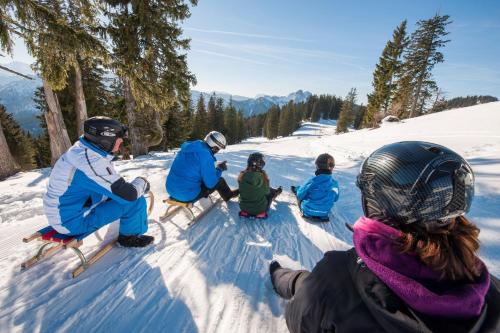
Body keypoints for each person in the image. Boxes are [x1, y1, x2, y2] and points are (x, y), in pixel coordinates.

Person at [270, 141, 500, 333]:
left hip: (315, 238)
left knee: (308, 285)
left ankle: (281, 276)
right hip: (325, 231)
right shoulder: (489, 287)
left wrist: (315, 289)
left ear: (376, 207)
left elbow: (299, 319)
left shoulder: (336, 275)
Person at [43, 116, 154, 247]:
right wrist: (143, 182)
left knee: (117, 194)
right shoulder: (91, 162)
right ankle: (129, 238)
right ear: (106, 140)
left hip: (64, 213)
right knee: (135, 201)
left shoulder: (82, 150)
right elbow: (129, 195)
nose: (120, 144)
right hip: (72, 223)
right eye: (118, 141)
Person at [166, 131, 238, 203]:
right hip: (186, 195)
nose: (217, 151)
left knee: (200, 178)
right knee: (220, 181)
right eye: (218, 149)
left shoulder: (190, 147)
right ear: (214, 147)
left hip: (170, 189)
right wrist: (219, 169)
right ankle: (228, 195)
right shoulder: (205, 155)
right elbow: (211, 184)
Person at [291, 153, 339, 220]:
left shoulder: (312, 181)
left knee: (301, 192)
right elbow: (336, 198)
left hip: (308, 210)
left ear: (317, 166)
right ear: (332, 167)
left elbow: (300, 195)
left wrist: (299, 192)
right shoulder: (335, 184)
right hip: (325, 212)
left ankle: (297, 189)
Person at [238, 152, 282, 218]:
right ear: (260, 164)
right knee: (270, 193)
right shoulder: (262, 177)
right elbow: (267, 192)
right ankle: (276, 192)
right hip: (260, 210)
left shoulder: (242, 175)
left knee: (249, 192)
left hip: (243, 208)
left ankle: (246, 212)